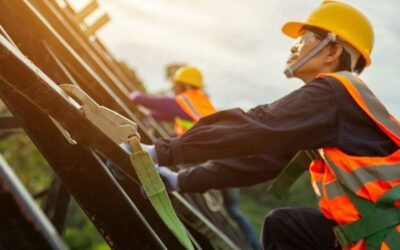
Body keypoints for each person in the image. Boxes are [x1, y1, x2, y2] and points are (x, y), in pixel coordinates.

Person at [145, 1, 400, 249]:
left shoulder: (333, 91)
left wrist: (158, 152)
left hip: (385, 238)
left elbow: (256, 126)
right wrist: (181, 180)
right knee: (285, 226)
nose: (294, 48)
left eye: (305, 38)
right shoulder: (331, 113)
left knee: (286, 227)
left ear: (333, 52)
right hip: (374, 235)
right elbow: (261, 161)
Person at [129, 65, 260, 249]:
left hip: (215, 160)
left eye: (175, 85)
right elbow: (170, 116)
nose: (174, 88)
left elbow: (139, 99)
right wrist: (152, 116)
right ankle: (256, 247)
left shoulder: (183, 100)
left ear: (182, 85)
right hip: (231, 157)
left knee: (184, 183)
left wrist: (133, 97)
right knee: (233, 211)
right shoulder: (202, 102)